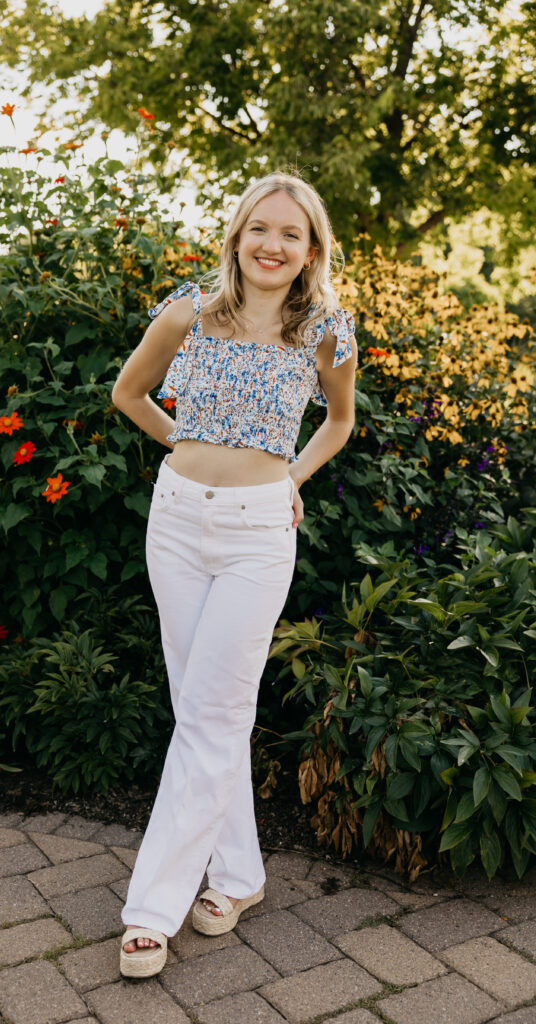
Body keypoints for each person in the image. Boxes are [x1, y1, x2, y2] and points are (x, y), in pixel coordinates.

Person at [111, 170, 357, 978]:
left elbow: (339, 421)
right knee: (200, 707)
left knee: (212, 713)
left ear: (311, 249)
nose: (271, 244)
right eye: (260, 228)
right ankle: (240, 876)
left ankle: (151, 909)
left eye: (290, 233)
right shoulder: (188, 310)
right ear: (236, 236)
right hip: (177, 521)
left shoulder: (326, 330)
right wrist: (184, 450)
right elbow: (129, 393)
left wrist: (287, 478)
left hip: (257, 533)